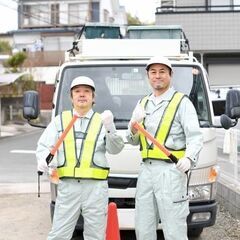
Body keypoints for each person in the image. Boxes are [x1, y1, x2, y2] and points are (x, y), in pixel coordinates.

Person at [36, 76, 124, 240]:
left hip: (96, 189)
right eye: (77, 91)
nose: (82, 95)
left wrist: (111, 128)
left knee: (95, 235)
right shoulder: (60, 121)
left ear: (93, 97)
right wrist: (42, 160)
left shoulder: (102, 121)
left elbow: (115, 149)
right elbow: (43, 146)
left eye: (86, 91)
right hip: (68, 187)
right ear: (71, 97)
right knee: (59, 234)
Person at [126, 56, 203, 240]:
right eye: (153, 72)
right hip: (146, 171)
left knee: (174, 228)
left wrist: (189, 158)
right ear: (148, 76)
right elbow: (134, 141)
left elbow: (195, 137)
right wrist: (132, 125)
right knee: (143, 228)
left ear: (170, 75)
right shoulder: (142, 103)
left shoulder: (182, 103)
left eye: (162, 72)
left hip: (171, 172)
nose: (157, 76)